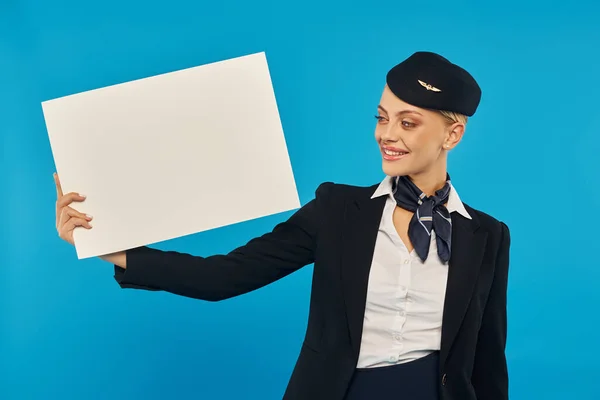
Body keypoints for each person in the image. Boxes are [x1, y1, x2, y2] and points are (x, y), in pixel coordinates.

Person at [54, 51, 511, 400]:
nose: (385, 135)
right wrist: (107, 244)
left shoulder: (488, 235)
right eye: (381, 117)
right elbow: (224, 276)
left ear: (452, 134)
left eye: (407, 123)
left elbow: (488, 357)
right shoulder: (337, 210)